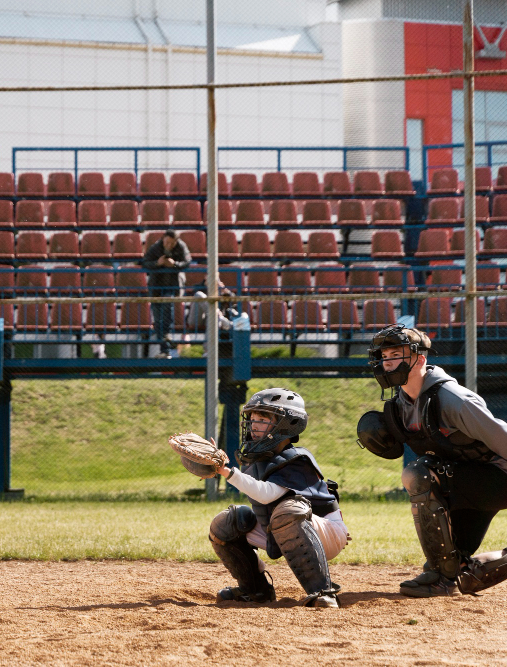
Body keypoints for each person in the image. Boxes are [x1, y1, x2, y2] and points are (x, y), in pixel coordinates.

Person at [357, 324, 507, 597]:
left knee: (421, 474)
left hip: (500, 478)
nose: (387, 363)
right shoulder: (401, 404)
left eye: (396, 355)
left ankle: (442, 578)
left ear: (420, 359)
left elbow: (502, 438)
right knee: (457, 568)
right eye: (384, 356)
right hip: (470, 480)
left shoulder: (453, 400)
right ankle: (448, 573)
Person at [209, 388, 349, 608]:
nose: (254, 424)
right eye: (252, 418)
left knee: (287, 511)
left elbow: (267, 494)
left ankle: (323, 592)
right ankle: (256, 591)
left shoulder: (296, 460)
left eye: (263, 418)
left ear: (287, 424)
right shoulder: (258, 457)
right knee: (226, 523)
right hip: (280, 527)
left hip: (324, 531)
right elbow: (255, 491)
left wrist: (227, 472)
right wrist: (212, 463)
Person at [142, 229, 191, 358]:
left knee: (167, 308)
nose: (168, 245)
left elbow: (187, 262)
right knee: (158, 319)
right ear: (163, 239)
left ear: (176, 242)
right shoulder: (156, 247)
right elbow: (145, 262)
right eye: (167, 242)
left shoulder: (181, 246)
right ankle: (165, 348)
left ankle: (167, 341)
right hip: (156, 287)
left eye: (171, 243)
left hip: (171, 286)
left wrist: (174, 265)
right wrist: (157, 263)